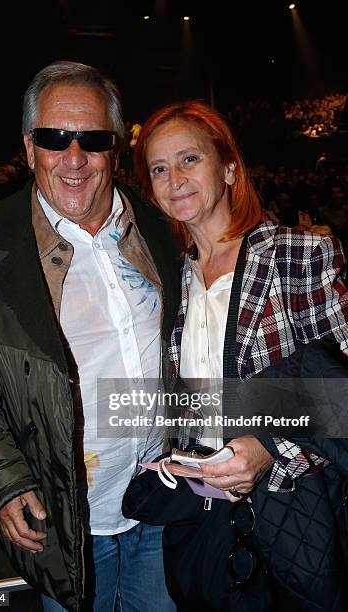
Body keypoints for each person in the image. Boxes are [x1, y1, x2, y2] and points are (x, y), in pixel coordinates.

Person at [0, 62, 181, 611]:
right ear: (30, 148)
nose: (74, 158)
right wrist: (2, 477)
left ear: (114, 148)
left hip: (164, 498)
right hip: (68, 521)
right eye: (55, 138)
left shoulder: (164, 226)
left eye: (92, 139)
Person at [133, 100, 348, 610]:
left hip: (293, 516)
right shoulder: (169, 282)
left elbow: (340, 389)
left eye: (190, 159)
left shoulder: (298, 254)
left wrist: (270, 447)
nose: (174, 179)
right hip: (207, 523)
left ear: (228, 168)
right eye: (159, 169)